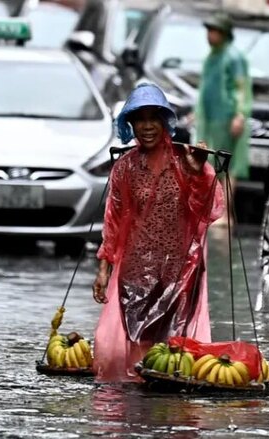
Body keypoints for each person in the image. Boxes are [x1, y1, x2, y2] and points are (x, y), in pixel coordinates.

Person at [91, 83, 225, 383]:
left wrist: (198, 171)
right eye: (140, 119)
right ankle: (138, 414)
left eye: (154, 118)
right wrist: (103, 270)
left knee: (172, 349)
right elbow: (113, 223)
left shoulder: (184, 161)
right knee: (139, 348)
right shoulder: (124, 168)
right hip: (136, 270)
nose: (147, 126)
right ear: (131, 124)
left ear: (165, 122)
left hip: (180, 269)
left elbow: (208, 209)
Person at [195, 12, 252, 226]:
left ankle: (225, 213)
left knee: (226, 166)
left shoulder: (234, 57)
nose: (210, 35)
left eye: (214, 30)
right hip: (210, 120)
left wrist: (240, 114)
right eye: (209, 30)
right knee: (210, 164)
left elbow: (241, 88)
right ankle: (214, 211)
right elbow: (205, 90)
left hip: (227, 118)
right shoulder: (212, 57)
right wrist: (197, 112)